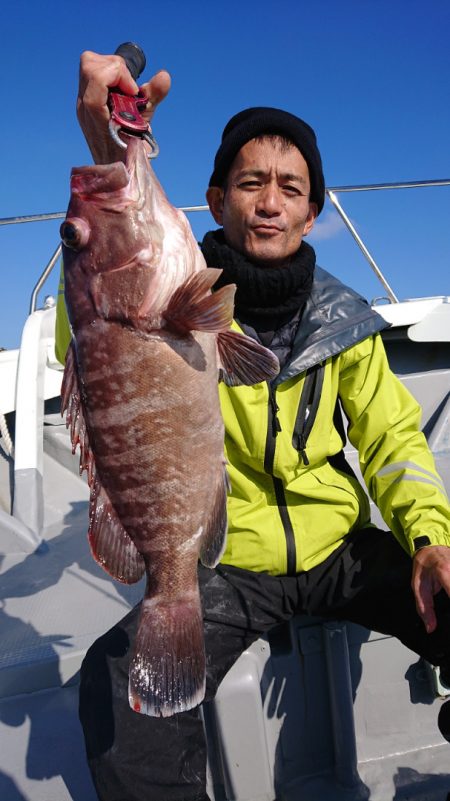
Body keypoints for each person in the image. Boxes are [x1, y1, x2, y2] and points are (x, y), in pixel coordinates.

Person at [58, 50, 450, 801]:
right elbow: (93, 334)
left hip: (339, 547)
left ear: (312, 214)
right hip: (226, 563)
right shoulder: (175, 292)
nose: (269, 201)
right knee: (116, 686)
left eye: (289, 188)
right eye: (250, 183)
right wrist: (108, 150)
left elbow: (395, 442)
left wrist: (430, 539)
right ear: (213, 200)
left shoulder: (349, 326)